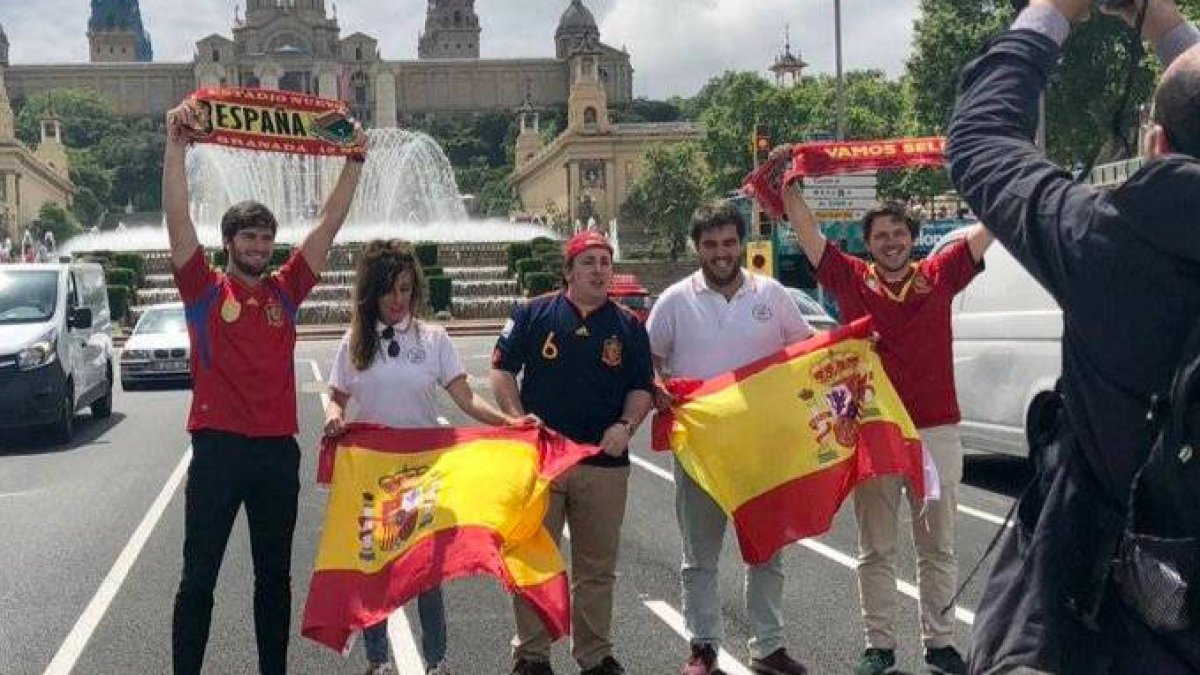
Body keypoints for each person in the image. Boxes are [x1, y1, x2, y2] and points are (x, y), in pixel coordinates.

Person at [945, 1, 1200, 672]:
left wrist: (1056, 9)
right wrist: (1167, 26)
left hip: (1088, 626)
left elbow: (981, 139)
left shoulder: (1106, 239)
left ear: (1154, 143)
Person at [162, 98, 364, 675]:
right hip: (218, 450)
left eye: (265, 239)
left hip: (277, 452)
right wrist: (174, 146)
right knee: (198, 577)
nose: (258, 247)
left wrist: (354, 159)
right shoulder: (202, 290)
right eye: (248, 238)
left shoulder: (285, 290)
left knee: (274, 578)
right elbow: (177, 220)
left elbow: (328, 224)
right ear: (228, 243)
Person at [769, 185, 994, 675]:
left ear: (912, 238)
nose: (890, 242)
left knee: (938, 545)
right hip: (874, 430)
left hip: (936, 432)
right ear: (866, 243)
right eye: (880, 235)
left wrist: (1008, 175)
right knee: (876, 547)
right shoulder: (850, 279)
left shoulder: (939, 275)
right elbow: (809, 235)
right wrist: (790, 192)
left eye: (898, 233)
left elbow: (986, 230)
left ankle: (940, 642)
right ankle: (879, 647)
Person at [323, 239, 535, 675]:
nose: (398, 300)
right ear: (370, 294)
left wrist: (507, 424)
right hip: (373, 474)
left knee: (427, 576)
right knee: (375, 571)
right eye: (388, 291)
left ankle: (437, 662)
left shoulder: (434, 339)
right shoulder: (354, 342)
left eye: (405, 289)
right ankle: (377, 661)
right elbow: (337, 397)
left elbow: (466, 399)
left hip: (425, 473)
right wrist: (333, 417)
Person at [645, 201, 813, 675]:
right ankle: (703, 647)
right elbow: (650, 359)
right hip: (701, 450)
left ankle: (769, 646)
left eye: (728, 243)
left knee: (767, 548)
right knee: (699, 554)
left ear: (741, 243)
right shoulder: (675, 300)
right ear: (697, 247)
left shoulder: (774, 295)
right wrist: (657, 384)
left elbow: (805, 352)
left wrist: (853, 345)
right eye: (711, 244)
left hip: (763, 446)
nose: (721, 253)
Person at [490, 230, 654, 675]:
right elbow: (502, 370)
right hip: (542, 461)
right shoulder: (532, 314)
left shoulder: (629, 327)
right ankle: (532, 655)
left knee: (596, 569)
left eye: (605, 261)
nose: (600, 270)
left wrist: (627, 426)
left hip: (603, 465)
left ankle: (595, 655)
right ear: (568, 272)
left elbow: (642, 388)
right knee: (534, 560)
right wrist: (516, 415)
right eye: (589, 262)